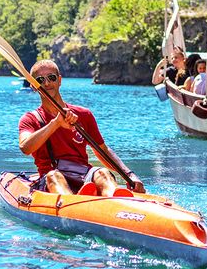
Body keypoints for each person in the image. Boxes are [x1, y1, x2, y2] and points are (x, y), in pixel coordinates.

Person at [19, 60, 145, 196]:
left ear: (59, 80)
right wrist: (55, 123)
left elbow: (102, 150)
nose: (47, 83)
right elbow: (25, 147)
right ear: (34, 86)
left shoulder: (83, 115)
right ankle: (72, 205)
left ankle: (116, 202)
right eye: (40, 80)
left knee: (103, 173)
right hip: (52, 176)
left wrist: (129, 174)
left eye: (51, 77)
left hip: (82, 173)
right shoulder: (30, 119)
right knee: (54, 177)